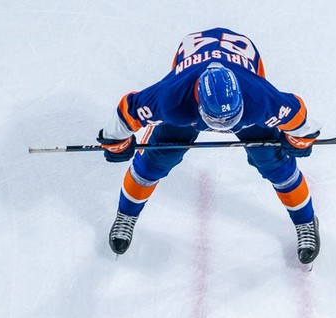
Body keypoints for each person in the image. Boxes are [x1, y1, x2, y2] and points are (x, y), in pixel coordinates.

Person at [97, 28, 322, 265]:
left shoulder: (259, 98)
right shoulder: (171, 98)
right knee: (154, 162)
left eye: (230, 120)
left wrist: (300, 139)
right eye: (218, 122)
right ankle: (126, 214)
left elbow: (299, 116)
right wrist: (115, 140)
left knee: (275, 165)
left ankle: (306, 220)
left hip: (242, 82)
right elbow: (128, 110)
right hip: (189, 97)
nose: (224, 127)